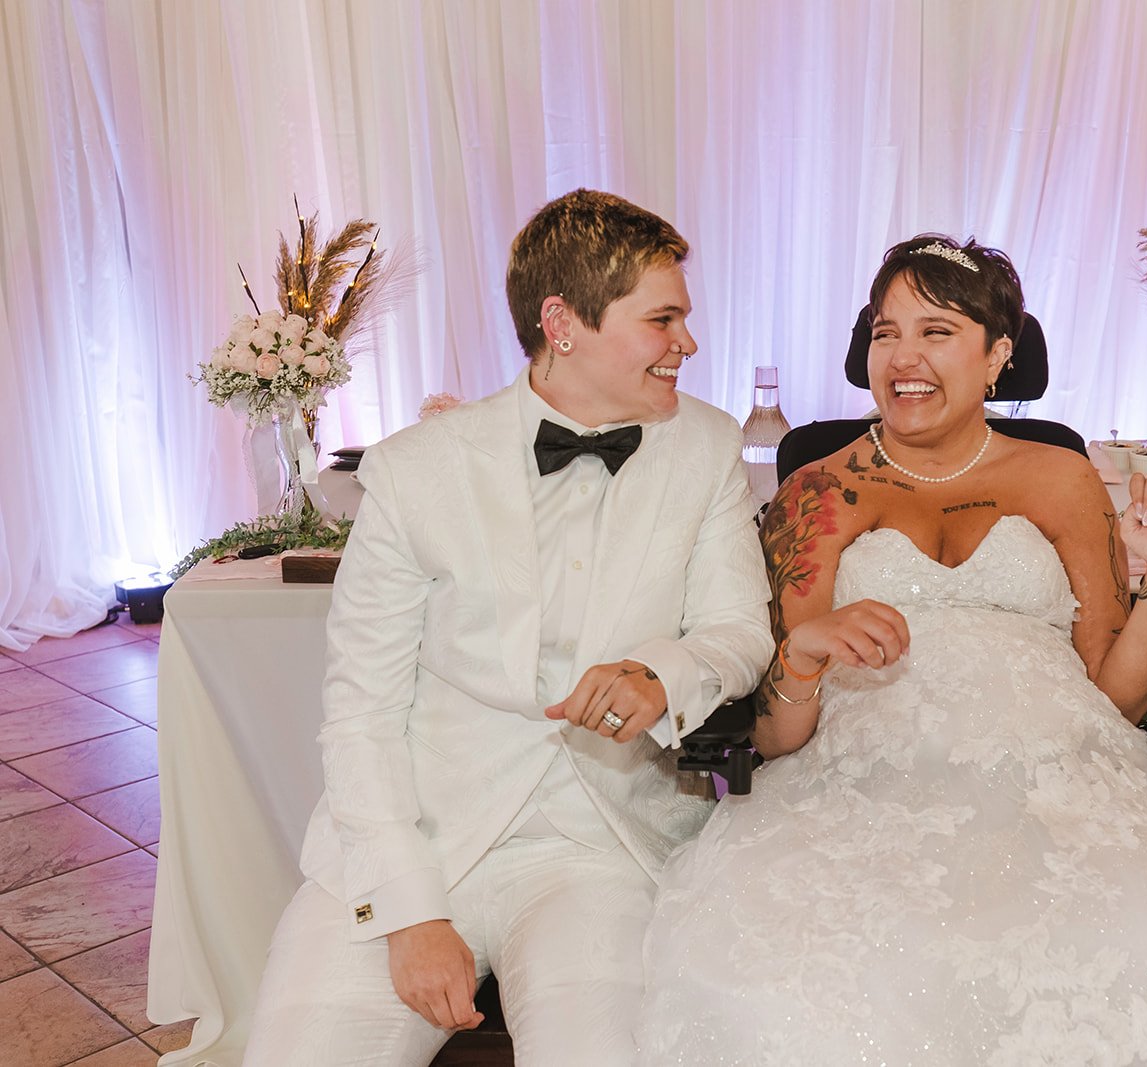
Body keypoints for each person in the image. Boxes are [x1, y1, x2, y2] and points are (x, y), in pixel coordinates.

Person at [636, 235, 1147, 1065]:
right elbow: (778, 738)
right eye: (886, 332)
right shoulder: (818, 492)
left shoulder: (1061, 477)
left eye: (937, 330)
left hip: (1062, 780)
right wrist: (805, 655)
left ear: (998, 354)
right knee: (805, 972)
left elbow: (1121, 699)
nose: (904, 357)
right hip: (868, 784)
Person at [245, 189, 773, 1065]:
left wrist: (663, 673)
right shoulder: (417, 472)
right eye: (664, 319)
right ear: (561, 322)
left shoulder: (709, 448)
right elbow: (362, 712)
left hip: (599, 844)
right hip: (414, 833)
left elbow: (738, 631)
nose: (688, 342)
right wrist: (411, 912)